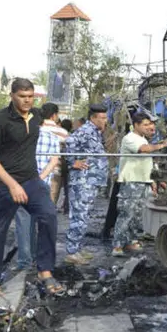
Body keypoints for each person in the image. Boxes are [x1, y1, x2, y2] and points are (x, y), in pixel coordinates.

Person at [0, 78, 64, 295]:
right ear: (12, 96)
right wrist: (12, 185)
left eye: (30, 97)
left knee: (49, 215)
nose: (27, 101)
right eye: (22, 96)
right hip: (3, 184)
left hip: (31, 180)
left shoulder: (36, 116)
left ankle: (45, 271)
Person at [111, 113, 167, 257]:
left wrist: (156, 180)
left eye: (151, 124)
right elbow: (144, 150)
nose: (150, 127)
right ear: (136, 125)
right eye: (146, 124)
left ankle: (130, 241)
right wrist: (163, 145)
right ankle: (117, 245)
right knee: (127, 213)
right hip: (131, 181)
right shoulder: (130, 138)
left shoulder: (143, 139)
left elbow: (148, 162)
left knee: (137, 215)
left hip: (143, 181)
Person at [13, 103, 63, 271]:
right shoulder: (53, 138)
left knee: (23, 224)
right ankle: (36, 259)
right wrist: (41, 178)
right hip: (42, 186)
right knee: (39, 224)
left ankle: (24, 263)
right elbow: (54, 161)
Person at [64, 104, 108, 265]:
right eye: (102, 118)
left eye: (105, 117)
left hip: (91, 181)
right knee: (79, 216)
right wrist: (72, 161)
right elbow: (69, 142)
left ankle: (77, 248)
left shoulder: (95, 132)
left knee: (84, 215)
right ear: (93, 118)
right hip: (83, 181)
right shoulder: (86, 131)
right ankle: (72, 252)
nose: (105, 120)